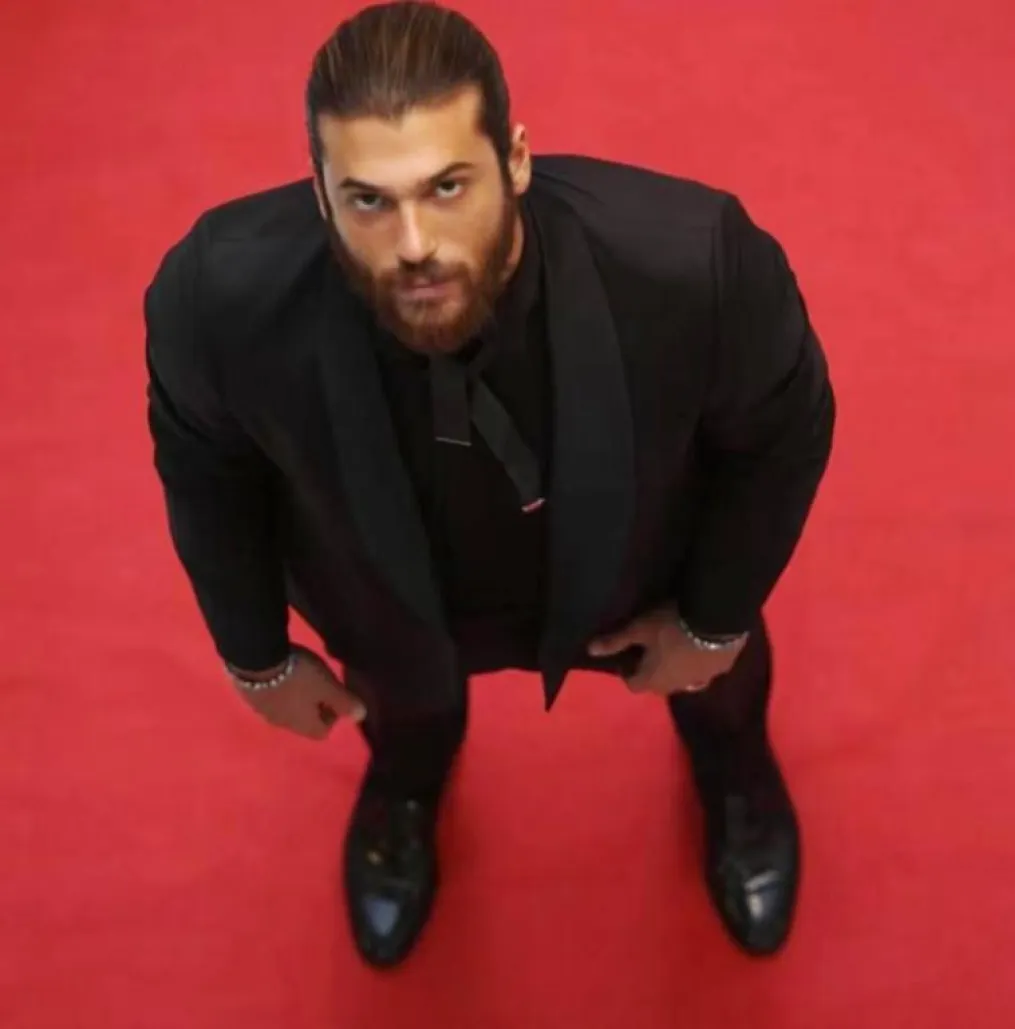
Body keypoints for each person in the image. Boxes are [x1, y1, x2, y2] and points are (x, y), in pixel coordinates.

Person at [144, 0, 835, 968]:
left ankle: (736, 777)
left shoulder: (696, 262)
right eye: (368, 200)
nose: (413, 243)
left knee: (722, 692)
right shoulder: (215, 300)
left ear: (514, 158)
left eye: (447, 186)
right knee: (401, 717)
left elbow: (784, 432)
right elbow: (204, 470)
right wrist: (255, 656)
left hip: (637, 563)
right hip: (383, 592)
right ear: (319, 191)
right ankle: (405, 792)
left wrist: (713, 623)